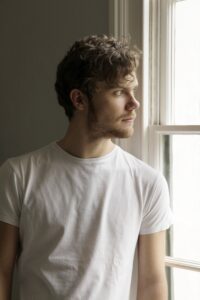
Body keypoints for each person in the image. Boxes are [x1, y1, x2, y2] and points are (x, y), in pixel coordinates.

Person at [0, 35, 173, 300]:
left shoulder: (148, 183)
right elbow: (2, 271)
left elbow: (151, 283)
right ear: (79, 100)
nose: (134, 103)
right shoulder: (19, 174)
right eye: (118, 92)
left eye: (133, 90)